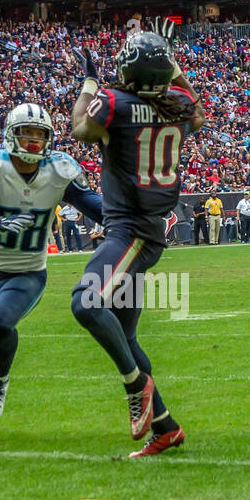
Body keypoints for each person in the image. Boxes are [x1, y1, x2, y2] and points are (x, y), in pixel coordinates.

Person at [69, 23, 205, 458]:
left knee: (86, 303)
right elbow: (196, 112)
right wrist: (171, 64)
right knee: (125, 337)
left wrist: (89, 80)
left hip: (132, 231)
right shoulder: (180, 104)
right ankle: (166, 428)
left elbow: (80, 130)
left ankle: (136, 385)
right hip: (147, 228)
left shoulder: (113, 102)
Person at [0, 104, 104, 438]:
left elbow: (96, 207)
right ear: (11, 135)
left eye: (39, 134)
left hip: (28, 273)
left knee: (1, 320)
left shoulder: (59, 170)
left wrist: (131, 217)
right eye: (26, 133)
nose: (33, 141)